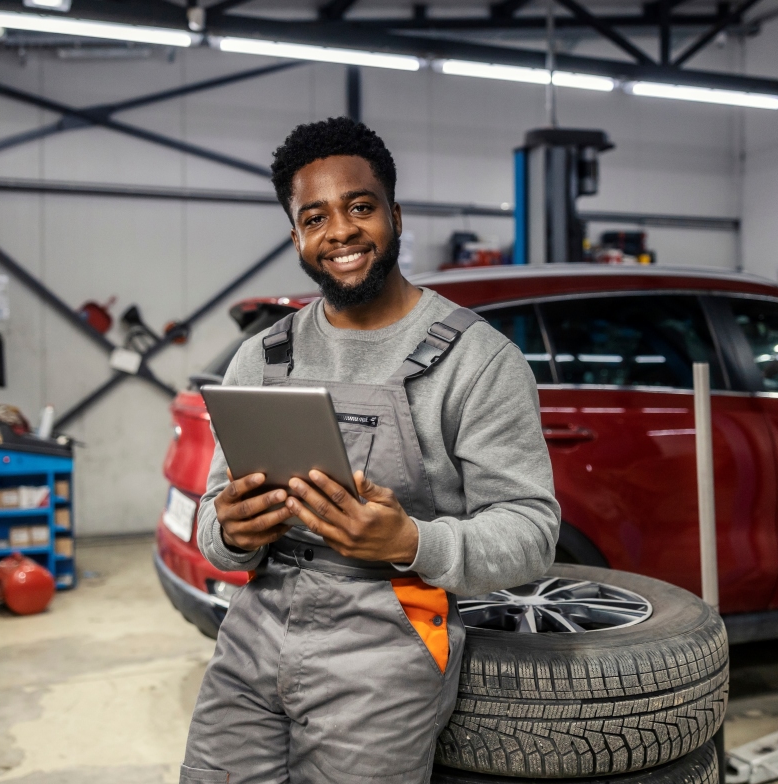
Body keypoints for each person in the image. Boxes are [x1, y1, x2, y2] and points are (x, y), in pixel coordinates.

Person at [181, 117, 560, 784]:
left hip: (396, 629)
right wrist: (231, 533)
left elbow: (531, 534)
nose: (342, 232)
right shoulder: (261, 358)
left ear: (395, 214)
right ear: (297, 235)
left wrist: (410, 540)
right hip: (257, 625)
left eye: (361, 207)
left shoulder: (477, 360)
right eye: (315, 216)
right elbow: (214, 519)